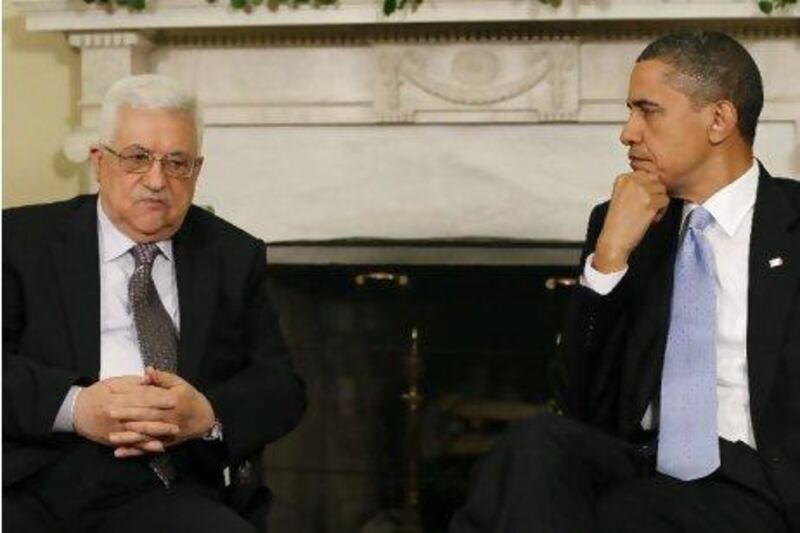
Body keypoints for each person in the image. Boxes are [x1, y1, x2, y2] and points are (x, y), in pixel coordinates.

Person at [451, 30, 799, 532]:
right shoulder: (623, 223)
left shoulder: (793, 224)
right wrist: (609, 258)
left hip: (757, 480)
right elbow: (575, 403)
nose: (627, 132)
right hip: (638, 459)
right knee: (534, 444)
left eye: (648, 110)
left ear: (719, 119)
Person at [3, 74, 307, 532]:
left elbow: (281, 387)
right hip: (35, 473)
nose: (156, 180)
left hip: (163, 486)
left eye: (177, 162)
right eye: (137, 158)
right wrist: (75, 407)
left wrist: (207, 414)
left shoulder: (231, 255)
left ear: (197, 172)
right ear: (98, 162)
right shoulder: (20, 241)